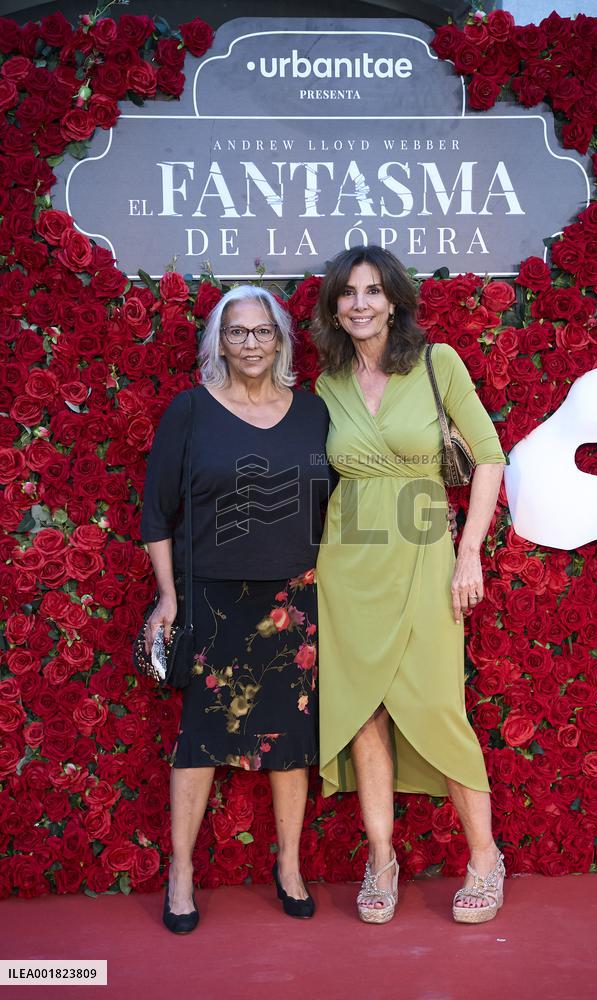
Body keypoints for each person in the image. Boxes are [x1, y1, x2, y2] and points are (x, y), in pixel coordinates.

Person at [312, 245, 507, 925]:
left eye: (372, 291)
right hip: (348, 561)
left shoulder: (436, 363)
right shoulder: (327, 383)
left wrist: (470, 553)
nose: (360, 303)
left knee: (438, 706)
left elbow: (488, 455)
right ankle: (382, 859)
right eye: (347, 293)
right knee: (366, 713)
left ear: (394, 300)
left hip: (425, 552)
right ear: (334, 307)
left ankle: (483, 856)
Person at [141, 285, 331, 932]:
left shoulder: (314, 414)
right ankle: (182, 873)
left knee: (291, 743)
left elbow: (347, 499)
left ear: (280, 338)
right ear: (218, 343)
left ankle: (289, 867)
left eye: (262, 331)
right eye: (236, 332)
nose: (250, 344)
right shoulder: (190, 412)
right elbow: (155, 514)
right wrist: (168, 597)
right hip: (212, 601)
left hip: (293, 602)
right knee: (198, 741)